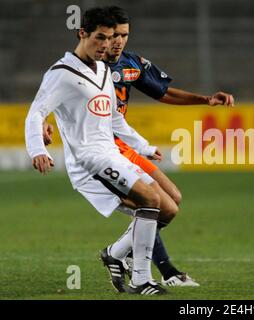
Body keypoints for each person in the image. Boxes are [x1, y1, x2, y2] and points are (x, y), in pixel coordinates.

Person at [26, 7, 168, 295]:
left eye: (111, 38)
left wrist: (144, 146)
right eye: (100, 38)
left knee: (164, 206)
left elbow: (114, 118)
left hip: (111, 152)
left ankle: (115, 254)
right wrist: (37, 149)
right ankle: (141, 279)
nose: (105, 45)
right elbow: (36, 112)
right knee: (151, 199)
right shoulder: (61, 74)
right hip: (89, 159)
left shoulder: (103, 69)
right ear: (82, 34)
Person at [99, 6, 234, 288]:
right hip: (100, 150)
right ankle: (158, 272)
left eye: (124, 35)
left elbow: (164, 92)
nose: (119, 41)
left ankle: (116, 253)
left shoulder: (130, 65)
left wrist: (205, 99)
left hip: (124, 145)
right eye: (114, 36)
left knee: (171, 202)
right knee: (151, 204)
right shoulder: (88, 68)